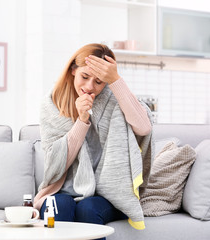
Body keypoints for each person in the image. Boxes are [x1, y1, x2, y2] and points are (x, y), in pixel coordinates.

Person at [34, 43, 154, 236]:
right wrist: (82, 121)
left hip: (107, 193)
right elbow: (55, 163)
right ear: (73, 70)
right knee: (58, 206)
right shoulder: (52, 104)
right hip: (63, 190)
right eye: (84, 77)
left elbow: (144, 127)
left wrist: (115, 80)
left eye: (99, 82)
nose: (90, 87)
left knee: (88, 209)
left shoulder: (114, 100)